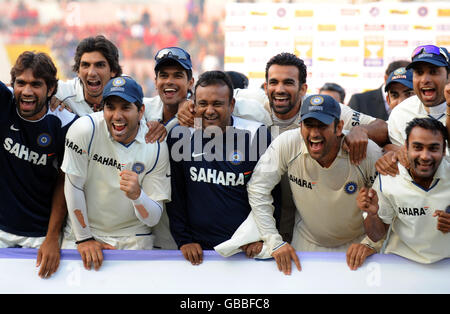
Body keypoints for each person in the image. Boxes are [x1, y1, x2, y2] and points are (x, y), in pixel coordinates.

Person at [247, 94, 382, 275]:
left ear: (339, 127)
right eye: (309, 125)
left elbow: (387, 202)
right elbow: (258, 188)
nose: (314, 133)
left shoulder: (367, 151)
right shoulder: (287, 143)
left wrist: (371, 243)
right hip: (306, 243)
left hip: (357, 246)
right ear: (300, 125)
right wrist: (273, 241)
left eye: (322, 126)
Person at [166, 70, 276, 265]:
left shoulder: (256, 134)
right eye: (203, 103)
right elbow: (176, 193)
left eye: (217, 103)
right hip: (198, 251)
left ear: (231, 105)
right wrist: (184, 240)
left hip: (246, 249)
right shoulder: (180, 135)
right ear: (194, 104)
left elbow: (272, 192)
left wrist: (260, 235)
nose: (209, 110)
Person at [61, 76, 171, 270]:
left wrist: (138, 196)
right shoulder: (84, 129)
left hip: (134, 237)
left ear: (141, 111)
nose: (117, 116)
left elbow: (153, 218)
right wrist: (84, 238)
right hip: (83, 232)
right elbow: (73, 186)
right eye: (110, 107)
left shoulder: (156, 145)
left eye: (126, 107)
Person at [0, 51, 77, 278]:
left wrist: (52, 237)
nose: (26, 91)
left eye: (36, 84)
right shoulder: (4, 103)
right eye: (21, 83)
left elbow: (66, 182)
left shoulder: (67, 124)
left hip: (40, 236)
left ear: (51, 89)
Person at [357, 117, 449, 264]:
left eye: (433, 148)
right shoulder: (389, 179)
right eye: (417, 147)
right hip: (402, 265)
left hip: (446, 267)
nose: (425, 156)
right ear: (405, 148)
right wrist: (373, 215)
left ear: (444, 150)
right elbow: (376, 236)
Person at [377, 45, 449, 177]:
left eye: (433, 72)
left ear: (448, 76)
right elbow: (400, 160)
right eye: (419, 73)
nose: (425, 80)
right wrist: (391, 151)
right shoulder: (400, 113)